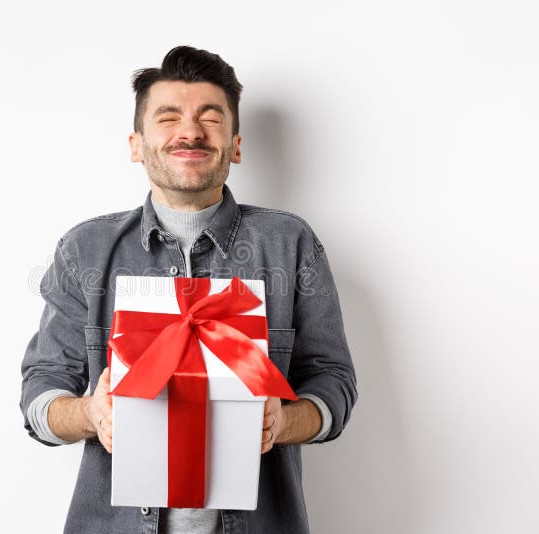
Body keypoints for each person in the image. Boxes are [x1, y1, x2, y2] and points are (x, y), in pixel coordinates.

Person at [20, 45, 357, 534]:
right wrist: (91, 412)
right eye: (168, 117)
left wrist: (284, 420)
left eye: (210, 117)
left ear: (236, 145)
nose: (190, 131)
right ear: (136, 144)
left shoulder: (291, 245)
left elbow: (335, 384)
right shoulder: (85, 251)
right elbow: (38, 396)